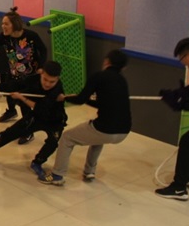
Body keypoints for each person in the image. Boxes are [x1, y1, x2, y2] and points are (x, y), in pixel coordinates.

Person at [39, 49, 131, 186]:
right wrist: (84, 99)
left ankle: (57, 174)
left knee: (67, 138)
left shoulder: (98, 76)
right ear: (123, 67)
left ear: (106, 61)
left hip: (105, 129)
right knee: (97, 138)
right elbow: (99, 103)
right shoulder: (122, 81)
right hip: (124, 132)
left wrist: (64, 98)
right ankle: (89, 171)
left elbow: (80, 99)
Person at [0, 61, 67, 176]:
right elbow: (8, 86)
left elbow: (40, 108)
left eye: (52, 82)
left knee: (52, 143)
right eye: (45, 79)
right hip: (37, 117)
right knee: (8, 134)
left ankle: (37, 162)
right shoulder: (33, 79)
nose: (47, 84)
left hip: (55, 120)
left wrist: (21, 98)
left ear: (57, 79)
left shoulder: (58, 90)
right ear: (41, 73)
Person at [0, 7, 47, 144]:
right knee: (8, 92)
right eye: (2, 23)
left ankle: (28, 131)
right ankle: (11, 111)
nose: (3, 26)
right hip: (14, 73)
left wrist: (41, 67)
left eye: (6, 24)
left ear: (15, 25)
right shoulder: (4, 37)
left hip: (30, 77)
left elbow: (43, 50)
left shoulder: (31, 36)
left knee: (23, 101)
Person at [155, 37, 189, 201]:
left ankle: (178, 188)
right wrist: (184, 93)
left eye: (181, 58)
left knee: (188, 142)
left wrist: (179, 102)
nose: (183, 63)